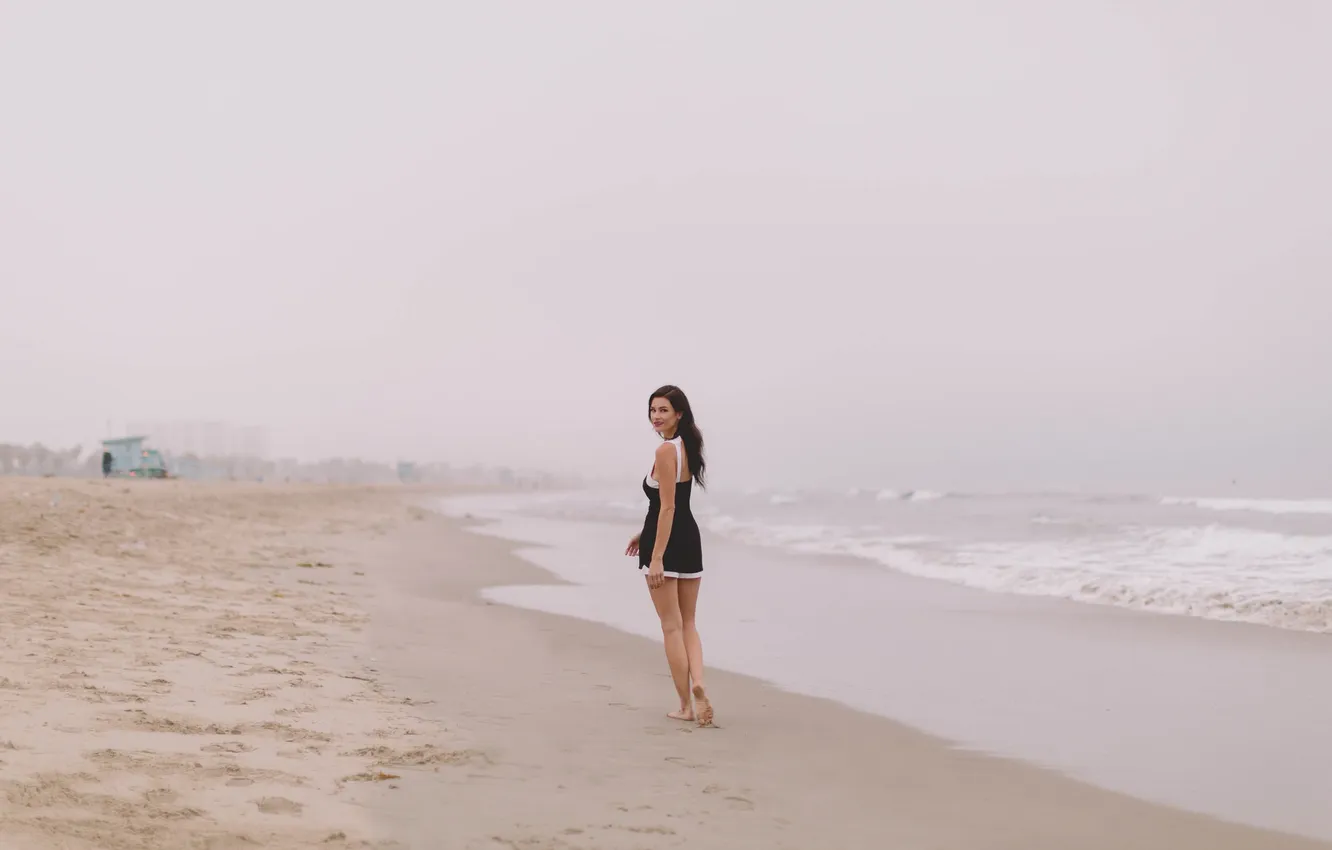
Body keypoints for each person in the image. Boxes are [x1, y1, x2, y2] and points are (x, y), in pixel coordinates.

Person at [625, 385, 713, 727]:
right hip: (689, 538)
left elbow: (667, 507)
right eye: (653, 410)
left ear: (679, 413)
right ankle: (699, 682)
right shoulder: (689, 445)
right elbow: (674, 505)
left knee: (671, 626)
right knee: (689, 622)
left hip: (667, 540)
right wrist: (643, 534)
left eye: (663, 410)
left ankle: (685, 705)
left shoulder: (665, 450)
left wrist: (657, 556)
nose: (656, 416)